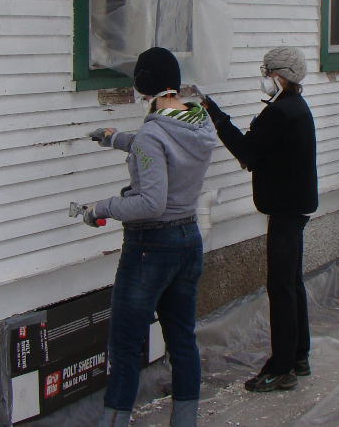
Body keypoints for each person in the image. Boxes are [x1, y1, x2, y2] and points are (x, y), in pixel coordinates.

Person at [84, 47, 217, 427]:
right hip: (189, 241)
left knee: (125, 348)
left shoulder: (152, 134)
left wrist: (101, 208)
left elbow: (151, 202)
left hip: (150, 250)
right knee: (182, 340)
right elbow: (163, 147)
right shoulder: (198, 120)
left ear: (145, 87)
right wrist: (117, 139)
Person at [202, 46, 318, 392]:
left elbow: (247, 152)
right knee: (292, 283)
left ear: (280, 76)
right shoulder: (295, 107)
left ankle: (281, 367)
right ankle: (299, 355)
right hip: (294, 207)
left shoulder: (281, 112)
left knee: (281, 287)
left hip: (285, 210)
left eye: (267, 73)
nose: (264, 79)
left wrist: (214, 114)